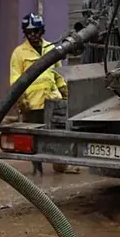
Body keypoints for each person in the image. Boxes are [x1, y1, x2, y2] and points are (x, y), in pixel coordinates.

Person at [10, 12, 80, 175]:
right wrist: (21, 101)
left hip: (53, 100)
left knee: (58, 134)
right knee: (35, 137)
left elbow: (58, 75)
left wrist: (66, 95)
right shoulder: (19, 53)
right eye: (29, 32)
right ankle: (37, 168)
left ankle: (60, 165)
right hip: (32, 104)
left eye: (36, 31)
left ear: (42, 31)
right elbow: (15, 81)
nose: (33, 35)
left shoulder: (51, 49)